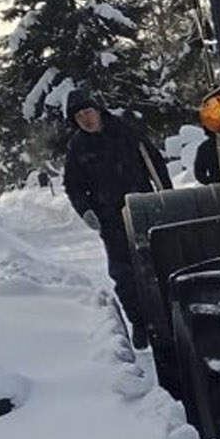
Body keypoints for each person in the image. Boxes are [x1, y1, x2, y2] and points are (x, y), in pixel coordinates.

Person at [62, 89, 170, 349]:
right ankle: (140, 323)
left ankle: (169, 315)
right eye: (79, 117)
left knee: (161, 263)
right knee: (124, 275)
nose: (85, 119)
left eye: (87, 112)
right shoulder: (77, 147)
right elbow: (73, 186)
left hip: (145, 208)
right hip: (110, 218)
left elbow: (154, 163)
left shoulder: (126, 131)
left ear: (98, 110)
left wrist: (167, 196)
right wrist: (86, 210)